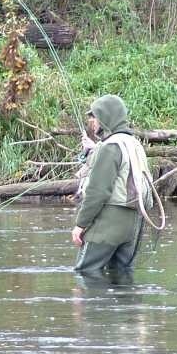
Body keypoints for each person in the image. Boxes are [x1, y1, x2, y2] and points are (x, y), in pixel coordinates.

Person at [72, 94, 152, 276]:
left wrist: (80, 225)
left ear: (106, 118)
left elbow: (98, 191)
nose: (93, 122)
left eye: (96, 117)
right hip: (134, 224)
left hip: (108, 223)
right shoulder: (134, 144)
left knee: (85, 274)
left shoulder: (110, 147)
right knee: (121, 277)